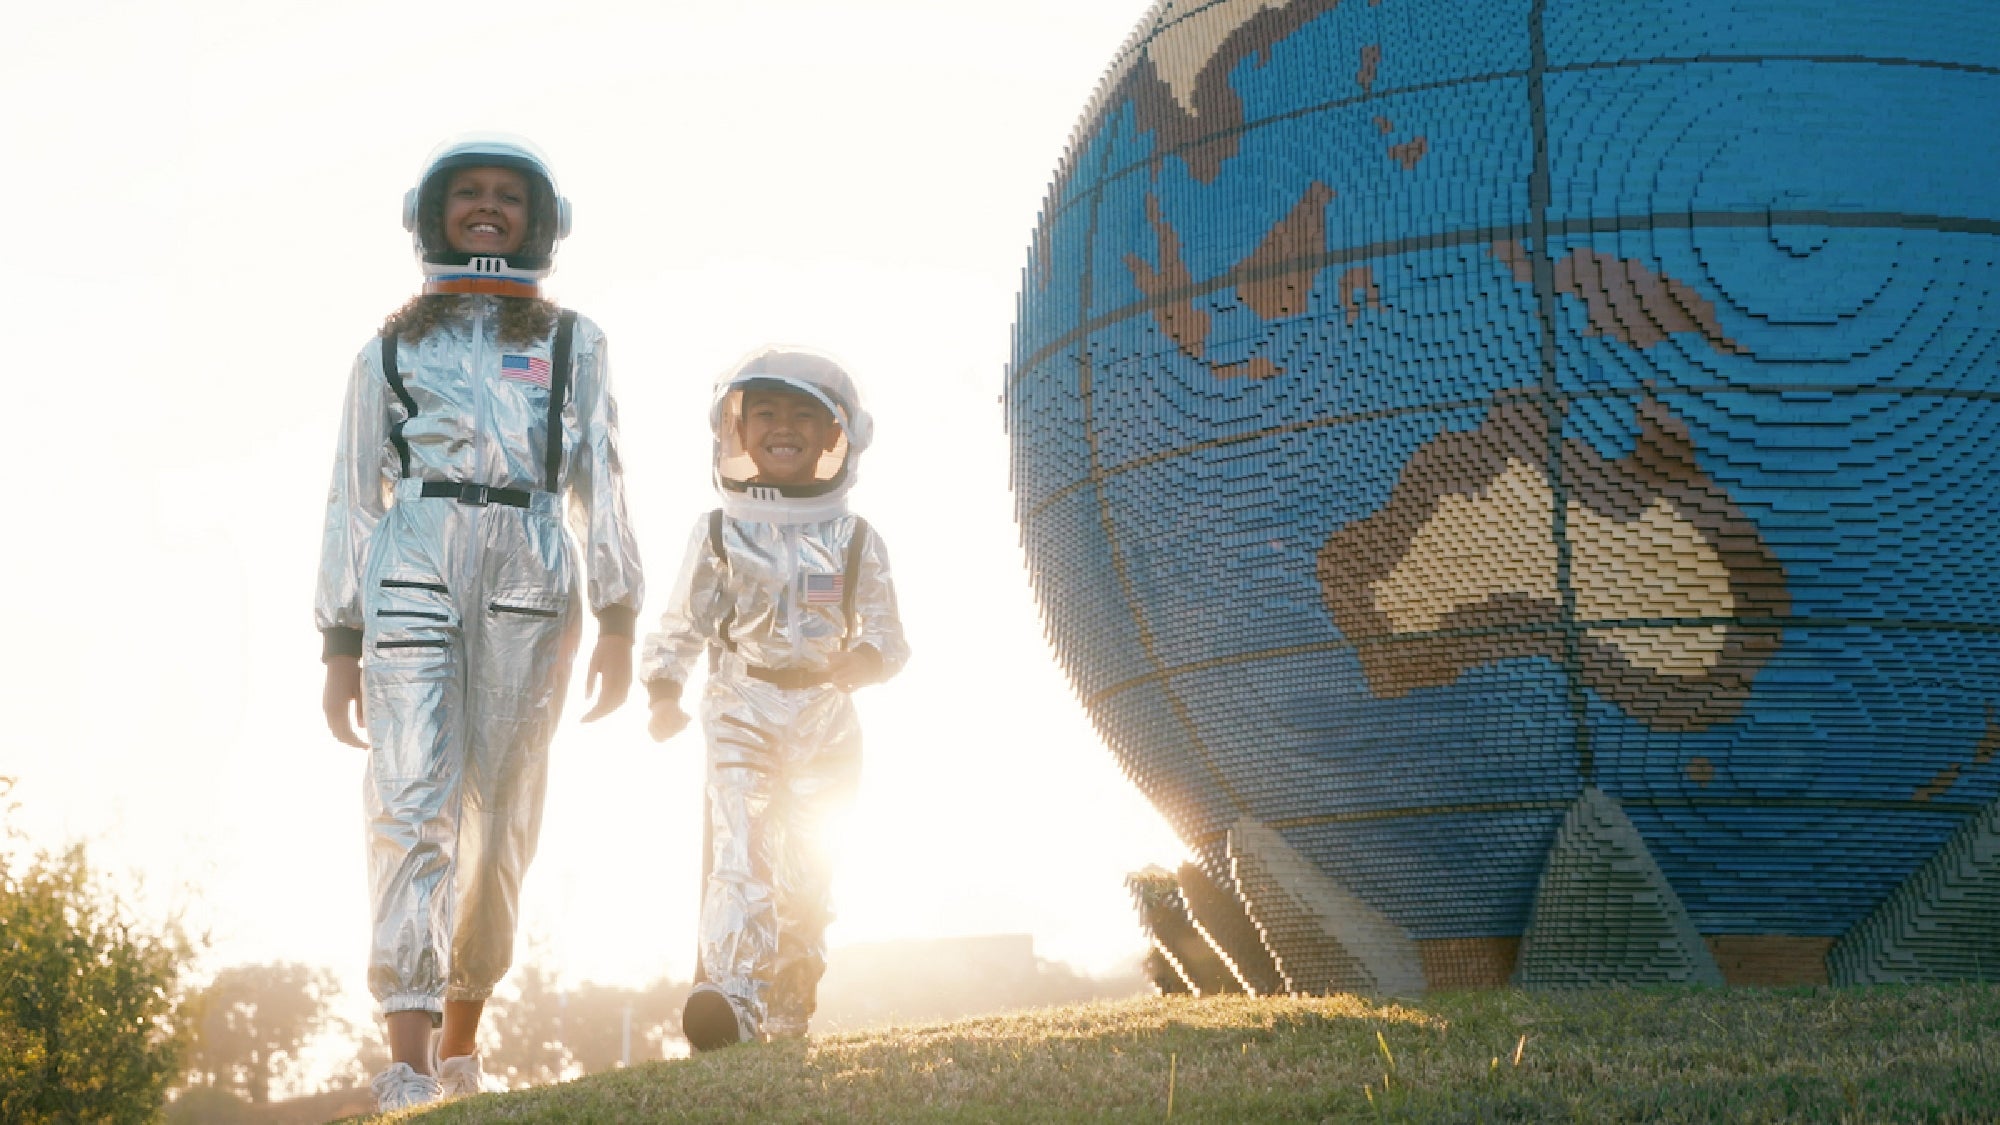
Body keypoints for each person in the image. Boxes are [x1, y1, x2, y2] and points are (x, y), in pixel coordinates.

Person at [314, 133, 643, 1111]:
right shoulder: (388, 345)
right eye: (468, 194)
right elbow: (349, 494)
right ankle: (405, 1062)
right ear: (432, 213)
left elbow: (604, 479)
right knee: (410, 802)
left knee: (498, 814)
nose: (487, 206)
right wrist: (338, 638)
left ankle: (462, 1043)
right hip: (411, 558)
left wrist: (620, 612)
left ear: (541, 219)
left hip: (531, 565)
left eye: (507, 194)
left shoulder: (574, 339)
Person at [641, 347, 908, 1050]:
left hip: (825, 720)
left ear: (833, 436)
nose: (781, 428)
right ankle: (729, 999)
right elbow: (683, 621)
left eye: (802, 416)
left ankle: (788, 1003)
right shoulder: (719, 532)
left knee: (806, 879)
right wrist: (664, 690)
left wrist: (868, 660)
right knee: (741, 849)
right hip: (742, 710)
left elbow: (889, 633)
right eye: (765, 413)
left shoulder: (853, 538)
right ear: (737, 427)